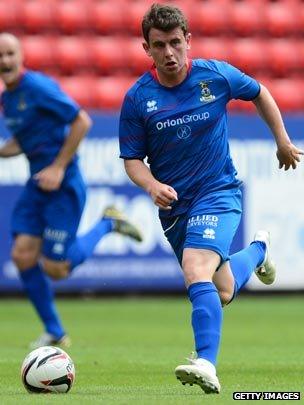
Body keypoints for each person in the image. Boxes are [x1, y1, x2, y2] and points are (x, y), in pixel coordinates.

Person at [119, 3, 303, 395]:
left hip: (218, 192)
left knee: (195, 266)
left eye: (174, 43)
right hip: (175, 207)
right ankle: (259, 250)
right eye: (158, 45)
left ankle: (206, 362)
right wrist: (151, 185)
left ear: (188, 41)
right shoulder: (138, 99)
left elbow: (259, 92)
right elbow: (132, 160)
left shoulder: (215, 75)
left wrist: (282, 141)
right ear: (145, 49)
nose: (168, 53)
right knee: (220, 290)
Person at [0, 33, 143, 349]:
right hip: (38, 184)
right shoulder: (8, 99)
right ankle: (54, 331)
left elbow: (82, 120)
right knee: (22, 255)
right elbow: (22, 142)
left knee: (56, 269)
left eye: (10, 53)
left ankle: (108, 222)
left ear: (21, 56)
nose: (5, 61)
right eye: (0, 56)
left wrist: (59, 166)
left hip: (63, 184)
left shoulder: (37, 87)